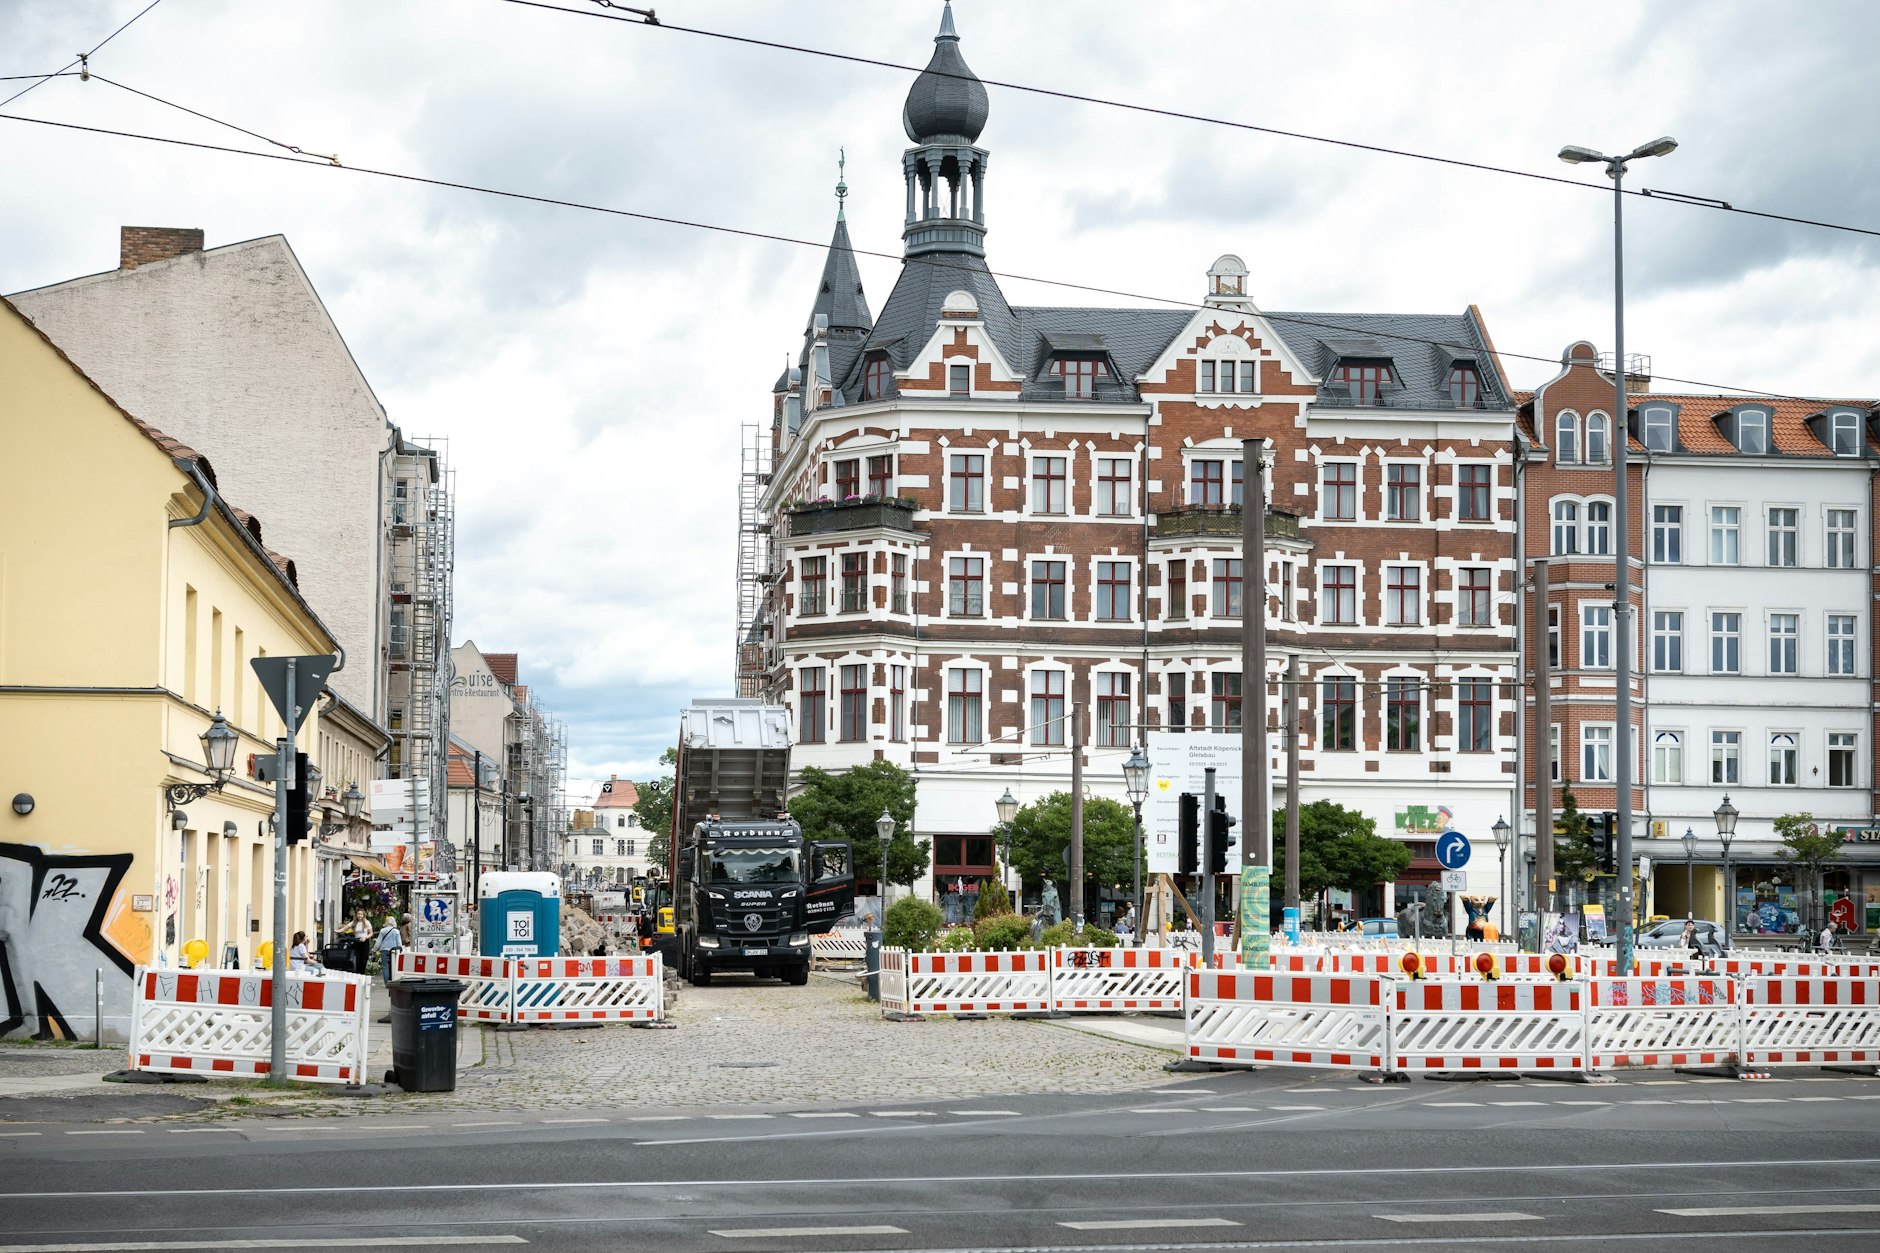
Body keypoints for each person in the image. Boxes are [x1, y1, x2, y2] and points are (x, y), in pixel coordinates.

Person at [375, 913, 403, 987]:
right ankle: (393, 981)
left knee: (385, 966)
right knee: (393, 966)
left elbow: (378, 942)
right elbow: (399, 943)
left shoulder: (382, 931)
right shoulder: (396, 931)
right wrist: (400, 950)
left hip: (384, 950)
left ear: (386, 922)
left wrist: (374, 950)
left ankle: (386, 983)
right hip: (394, 951)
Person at [348, 908, 373, 974]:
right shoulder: (354, 922)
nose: (360, 915)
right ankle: (357, 973)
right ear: (356, 915)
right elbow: (346, 927)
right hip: (357, 942)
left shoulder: (367, 922)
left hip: (364, 942)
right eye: (358, 914)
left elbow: (371, 933)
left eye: (361, 914)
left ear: (363, 915)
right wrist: (339, 931)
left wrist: (365, 937)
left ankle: (362, 973)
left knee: (364, 959)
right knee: (357, 959)